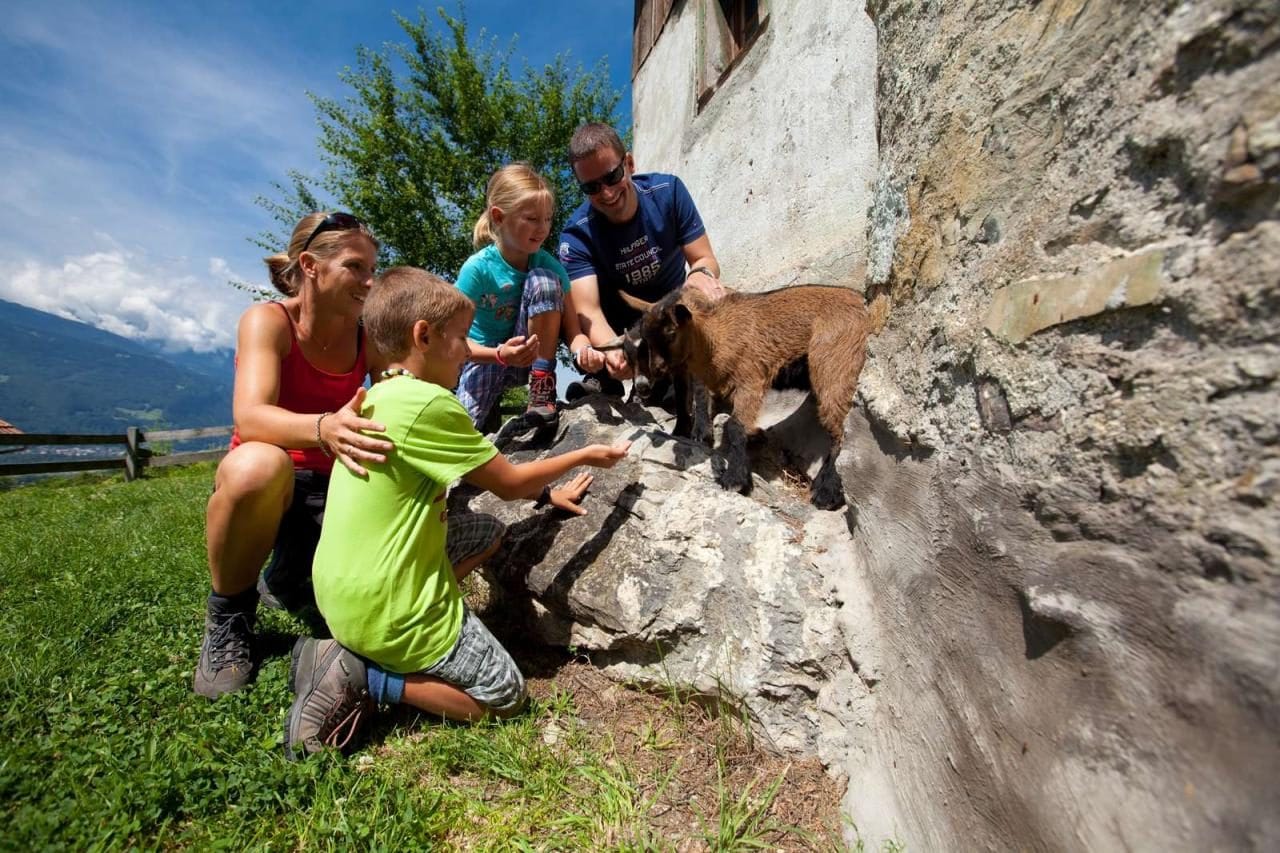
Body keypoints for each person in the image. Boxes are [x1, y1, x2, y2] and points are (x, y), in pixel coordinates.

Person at [284, 266, 630, 758]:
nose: (469, 351)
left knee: (485, 532)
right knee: (504, 696)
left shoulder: (379, 397)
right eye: (462, 338)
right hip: (385, 607)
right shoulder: (430, 406)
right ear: (423, 336)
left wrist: (546, 496)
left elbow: (476, 475)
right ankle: (368, 675)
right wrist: (586, 454)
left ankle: (372, 643)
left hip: (339, 593)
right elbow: (507, 483)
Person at [194, 211, 395, 699]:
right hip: (276, 484)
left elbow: (397, 388)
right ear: (310, 265)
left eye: (373, 269)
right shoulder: (269, 321)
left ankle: (287, 576)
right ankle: (230, 615)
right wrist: (324, 427)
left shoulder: (366, 334)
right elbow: (252, 418)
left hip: (338, 485)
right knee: (257, 465)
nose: (370, 282)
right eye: (355, 267)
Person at [556, 122, 725, 395]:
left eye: (612, 177)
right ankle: (604, 382)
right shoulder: (576, 235)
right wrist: (614, 349)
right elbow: (589, 311)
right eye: (592, 188)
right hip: (616, 327)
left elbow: (704, 258)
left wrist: (700, 275)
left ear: (630, 164)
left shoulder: (668, 192)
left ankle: (674, 375)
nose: (607, 193)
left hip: (667, 314)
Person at [455, 163, 593, 429]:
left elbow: (574, 332)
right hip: (487, 357)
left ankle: (542, 384)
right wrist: (498, 354)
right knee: (460, 432)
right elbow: (453, 340)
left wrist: (585, 352)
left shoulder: (552, 267)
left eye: (548, 218)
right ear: (498, 217)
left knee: (544, 281)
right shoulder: (477, 269)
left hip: (531, 358)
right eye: (531, 219)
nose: (542, 228)